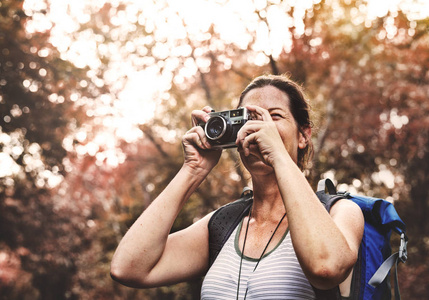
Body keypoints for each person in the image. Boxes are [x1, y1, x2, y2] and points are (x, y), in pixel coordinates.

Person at [110, 74, 364, 299]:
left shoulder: (340, 212)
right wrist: (192, 170)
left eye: (274, 116)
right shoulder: (223, 225)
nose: (259, 127)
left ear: (303, 135)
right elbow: (128, 268)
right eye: (249, 118)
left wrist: (278, 155)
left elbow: (326, 267)